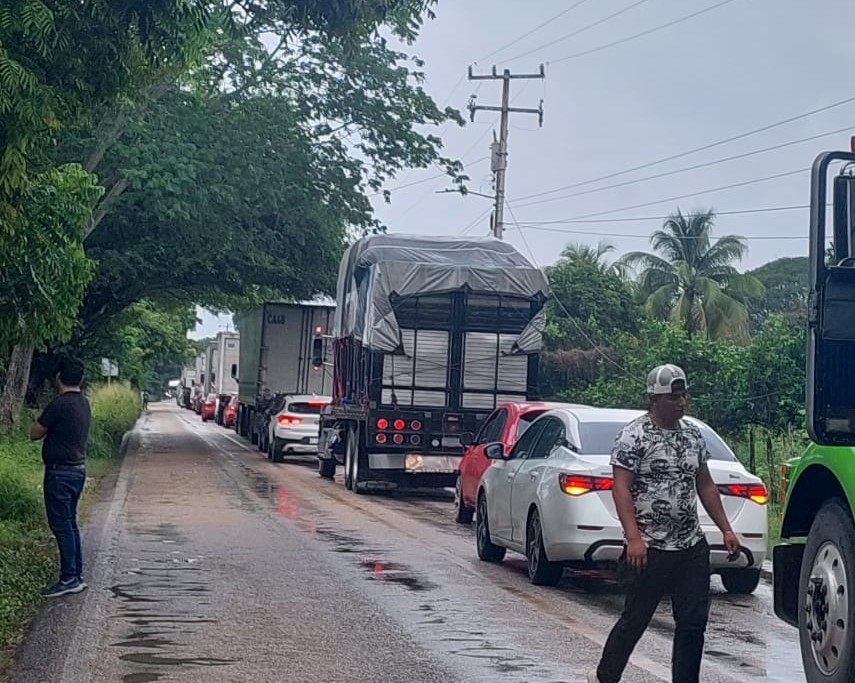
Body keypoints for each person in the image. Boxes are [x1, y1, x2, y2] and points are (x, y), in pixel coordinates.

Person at [588, 364, 740, 683]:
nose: (681, 402)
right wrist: (633, 538)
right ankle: (605, 677)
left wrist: (726, 528)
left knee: (692, 624)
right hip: (650, 546)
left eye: (683, 396)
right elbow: (621, 488)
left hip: (690, 545)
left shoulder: (693, 435)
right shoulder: (634, 436)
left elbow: (706, 485)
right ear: (655, 399)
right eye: (674, 397)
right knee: (636, 619)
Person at [29, 357, 91, 598]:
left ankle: (68, 578)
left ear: (58, 377)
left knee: (62, 525)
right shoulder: (84, 403)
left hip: (59, 472)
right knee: (70, 523)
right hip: (78, 469)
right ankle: (75, 574)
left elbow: (35, 433)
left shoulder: (58, 405)